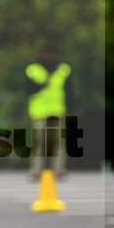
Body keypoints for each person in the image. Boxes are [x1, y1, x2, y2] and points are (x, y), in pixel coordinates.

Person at [26, 46, 72, 180]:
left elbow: (69, 91)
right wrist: (44, 83)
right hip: (39, 111)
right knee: (40, 142)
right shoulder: (33, 69)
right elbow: (28, 90)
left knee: (58, 142)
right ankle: (36, 170)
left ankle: (59, 169)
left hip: (57, 110)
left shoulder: (63, 69)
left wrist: (69, 110)